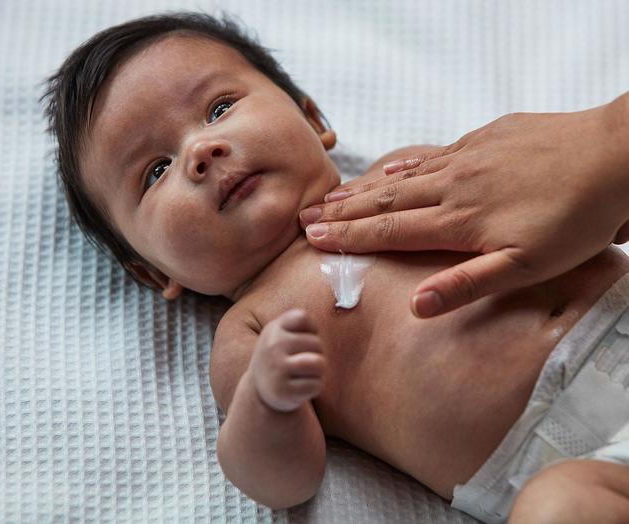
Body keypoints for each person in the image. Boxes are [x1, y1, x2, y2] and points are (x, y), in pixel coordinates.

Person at [42, 12, 629, 523]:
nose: (200, 152)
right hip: (573, 468)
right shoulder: (252, 334)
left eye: (219, 108)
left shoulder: (406, 172)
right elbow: (283, 482)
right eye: (154, 170)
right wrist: (269, 405)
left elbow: (547, 199)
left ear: (312, 118)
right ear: (152, 271)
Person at [299, 94, 629, 321]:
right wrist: (269, 396)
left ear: (311, 120)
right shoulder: (251, 324)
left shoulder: (413, 173)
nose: (242, 150)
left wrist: (605, 146)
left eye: (242, 103)